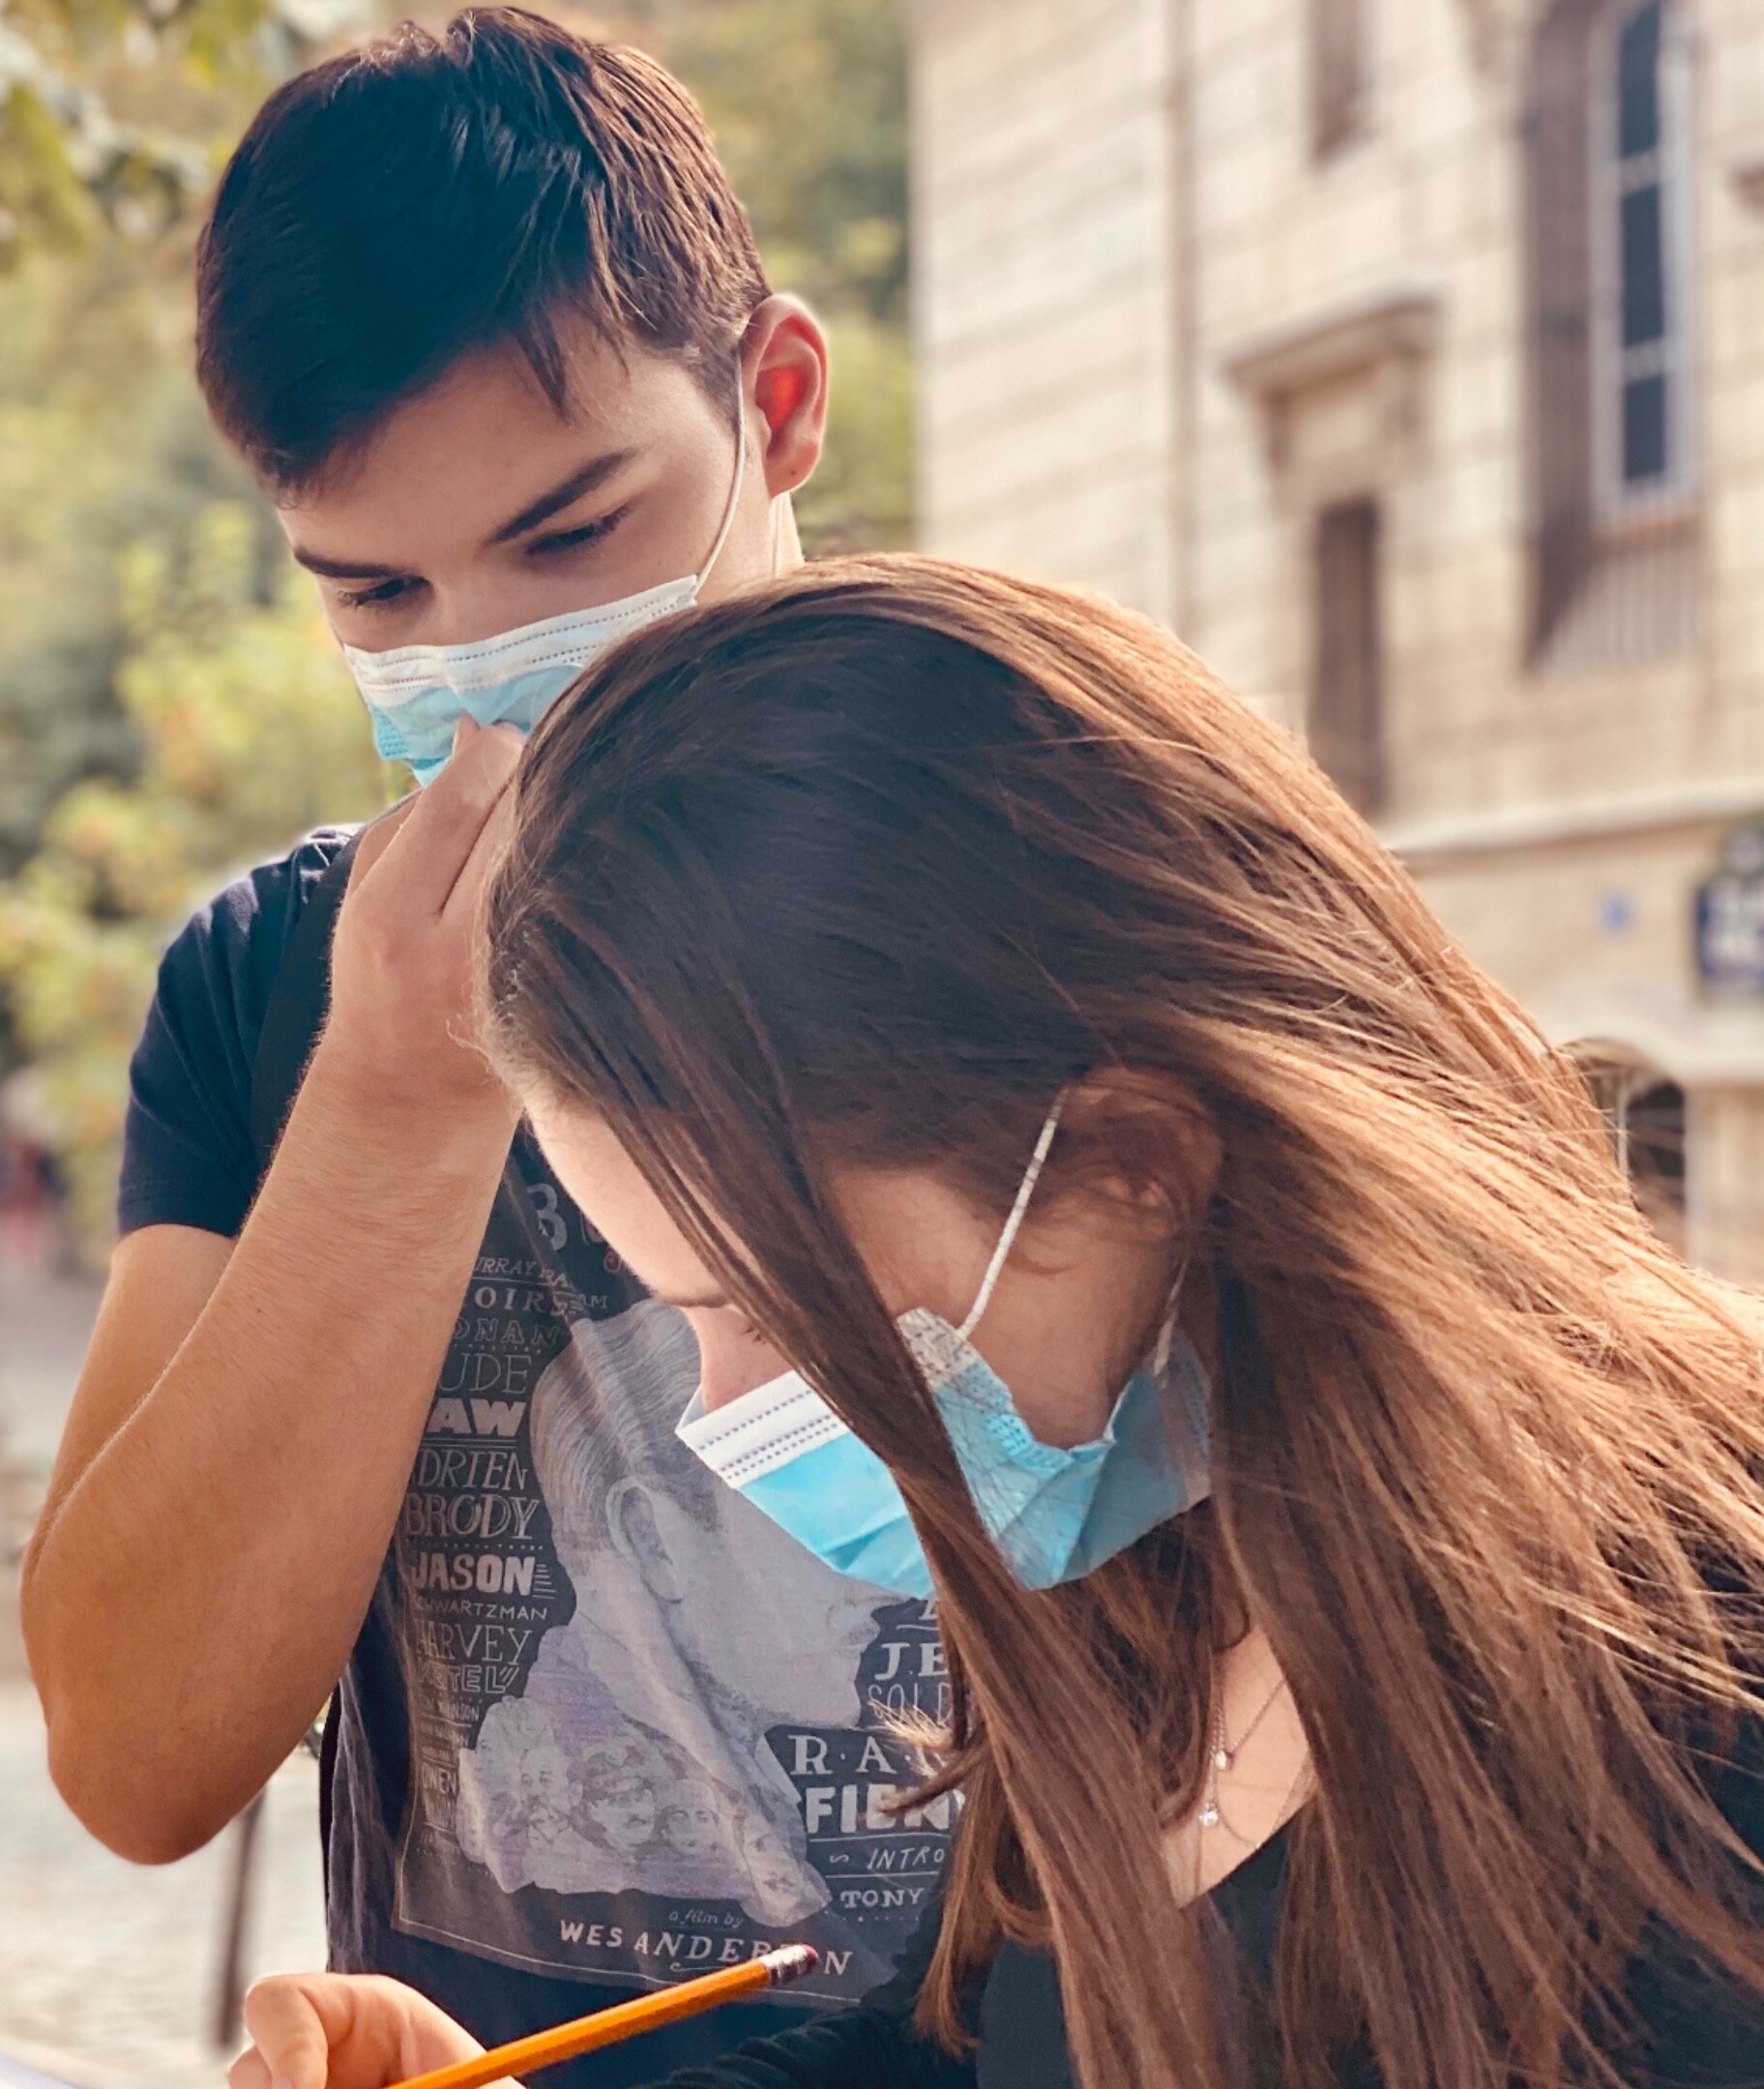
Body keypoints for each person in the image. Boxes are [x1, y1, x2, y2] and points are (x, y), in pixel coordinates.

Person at [226, 557, 1764, 2089]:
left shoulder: (1702, 1714)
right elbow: (966, 2041)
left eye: (768, 1307)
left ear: (1132, 1168)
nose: (717, 1412)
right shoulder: (1133, 1564)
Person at [20, 10, 873, 2075]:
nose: (480, 650)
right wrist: (399, 1102)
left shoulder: (1056, 855)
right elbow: (134, 1757)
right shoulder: (273, 980)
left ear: (773, 402)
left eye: (572, 537)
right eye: (376, 590)